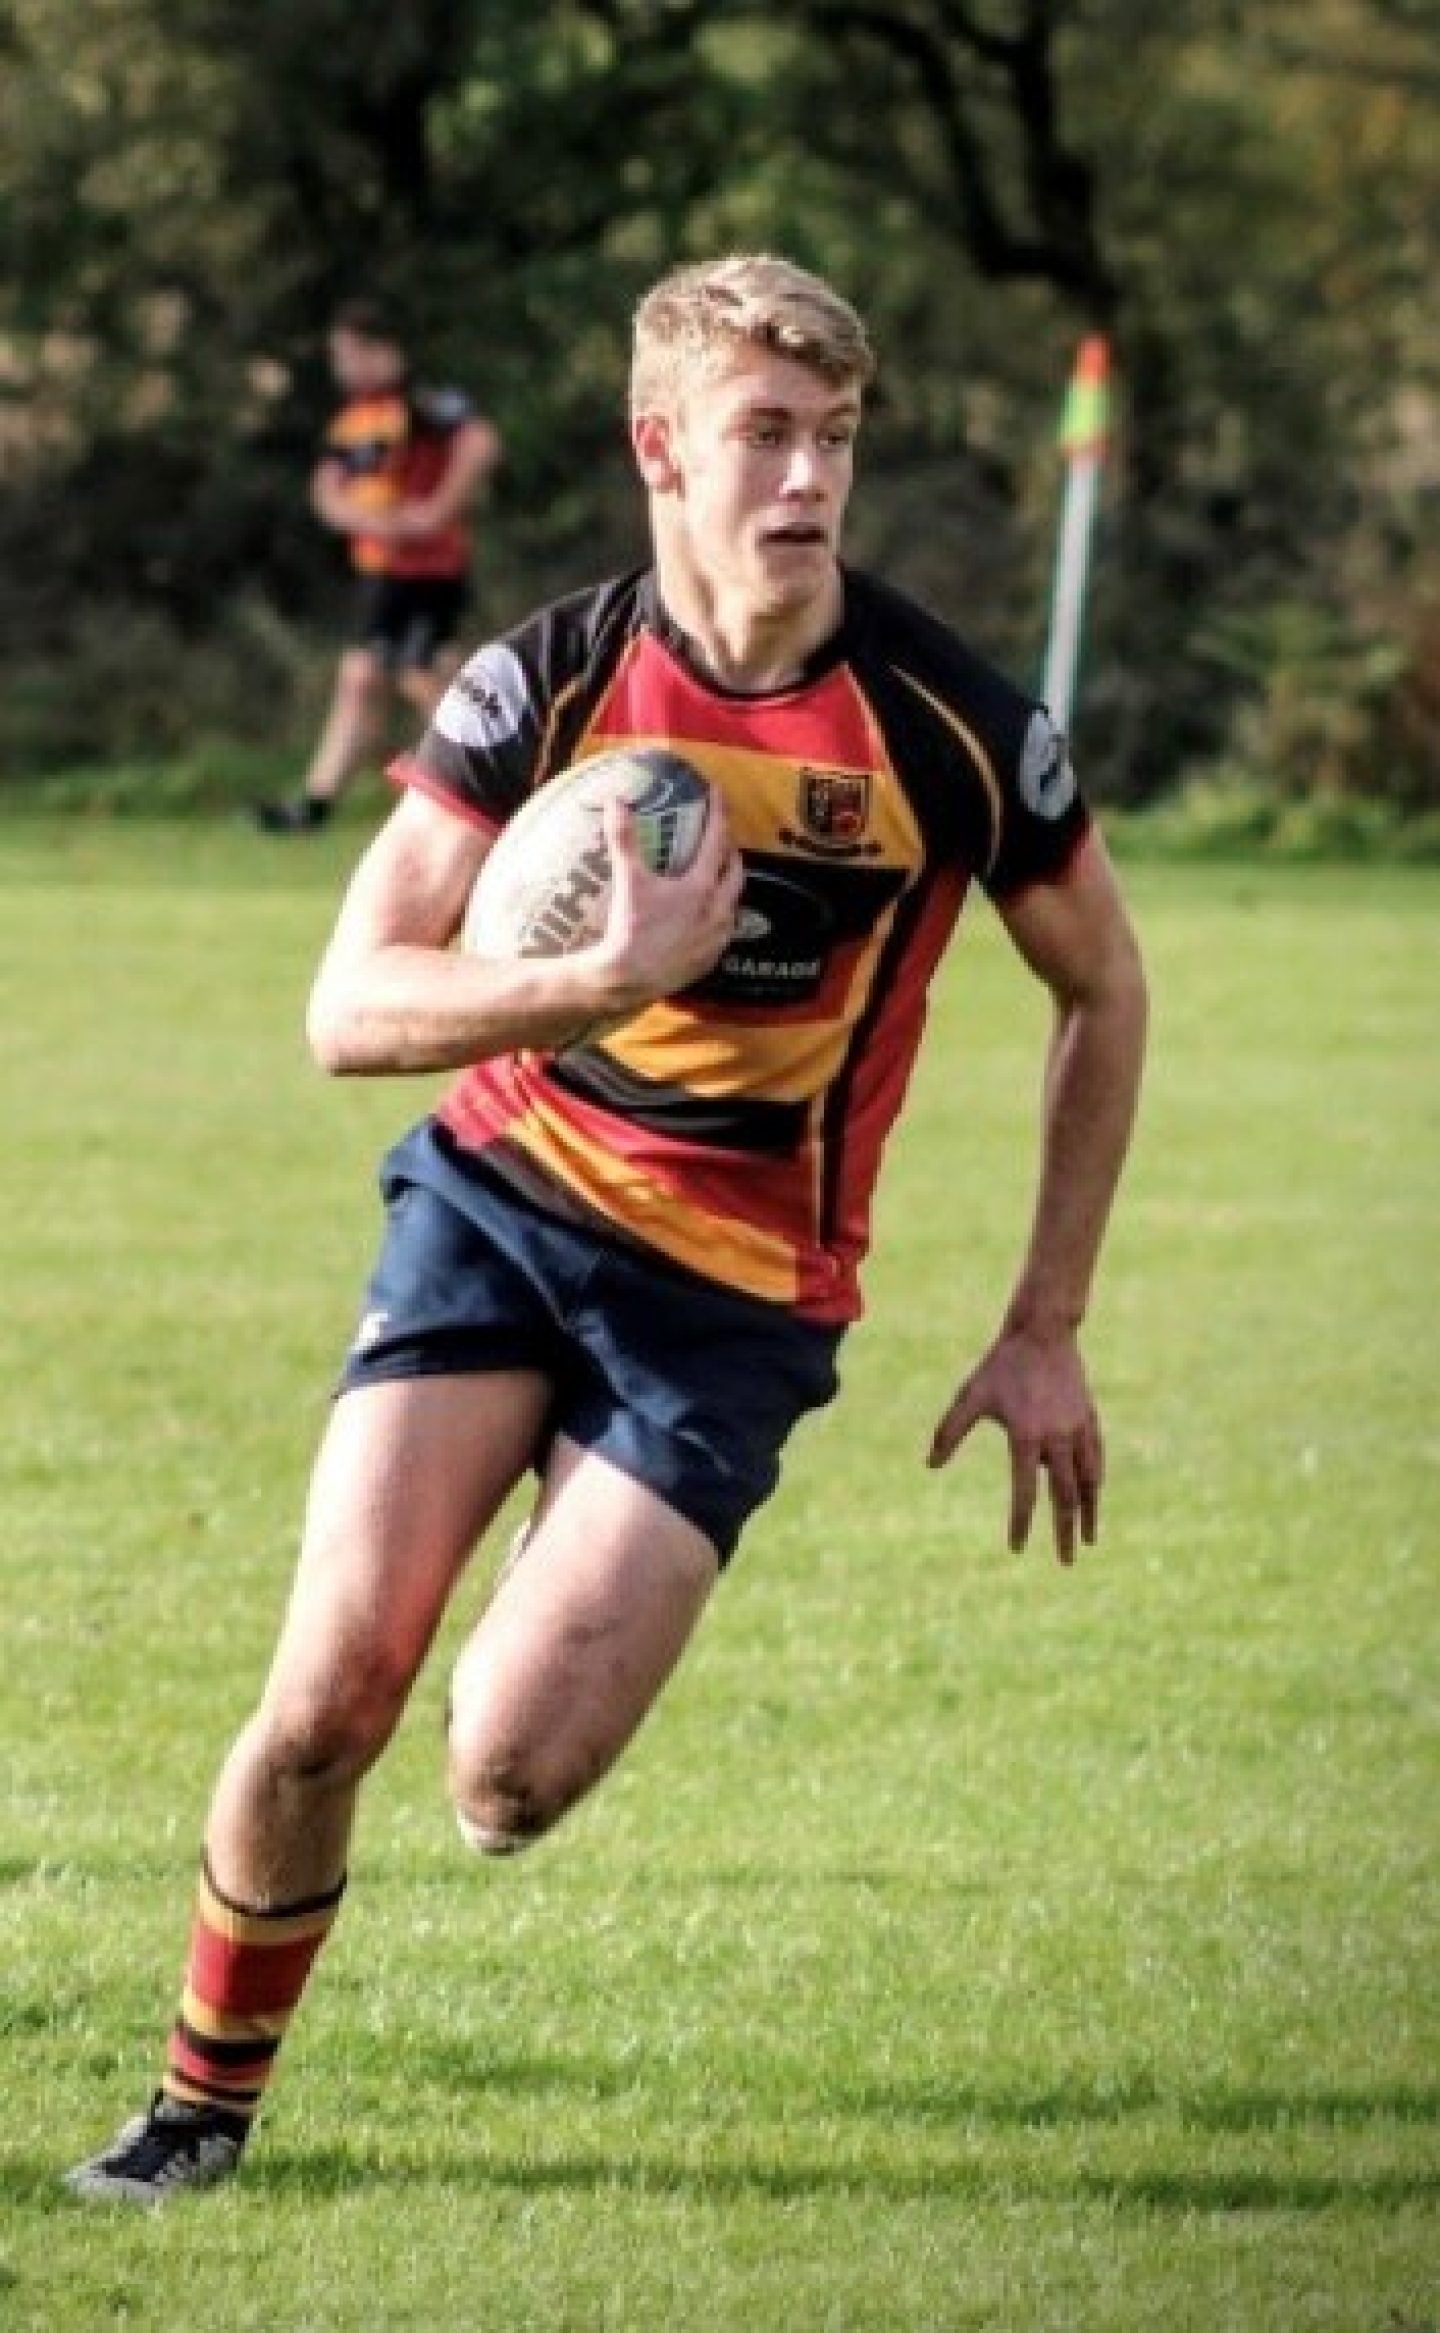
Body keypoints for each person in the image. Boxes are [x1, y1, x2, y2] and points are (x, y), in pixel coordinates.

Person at [67, 255, 1147, 2204]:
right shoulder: (545, 679)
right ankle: (191, 2116)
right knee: (328, 1695)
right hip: (501, 1200)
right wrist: (572, 992)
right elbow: (347, 1004)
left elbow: (1107, 984)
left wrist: (1046, 1316)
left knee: (501, 1775)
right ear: (663, 447)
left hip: (731, 1299)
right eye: (764, 433)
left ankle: (559, 1602)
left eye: (835, 437)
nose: (809, 475)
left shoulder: (948, 722)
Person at [252, 297, 501, 835]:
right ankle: (316, 803)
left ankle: (483, 787)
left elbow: (480, 444)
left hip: (429, 571)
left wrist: (436, 511)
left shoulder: (424, 404)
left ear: (387, 351)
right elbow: (326, 489)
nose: (346, 368)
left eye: (354, 354)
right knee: (364, 677)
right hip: (381, 573)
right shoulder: (353, 421)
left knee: (425, 676)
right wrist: (362, 519)